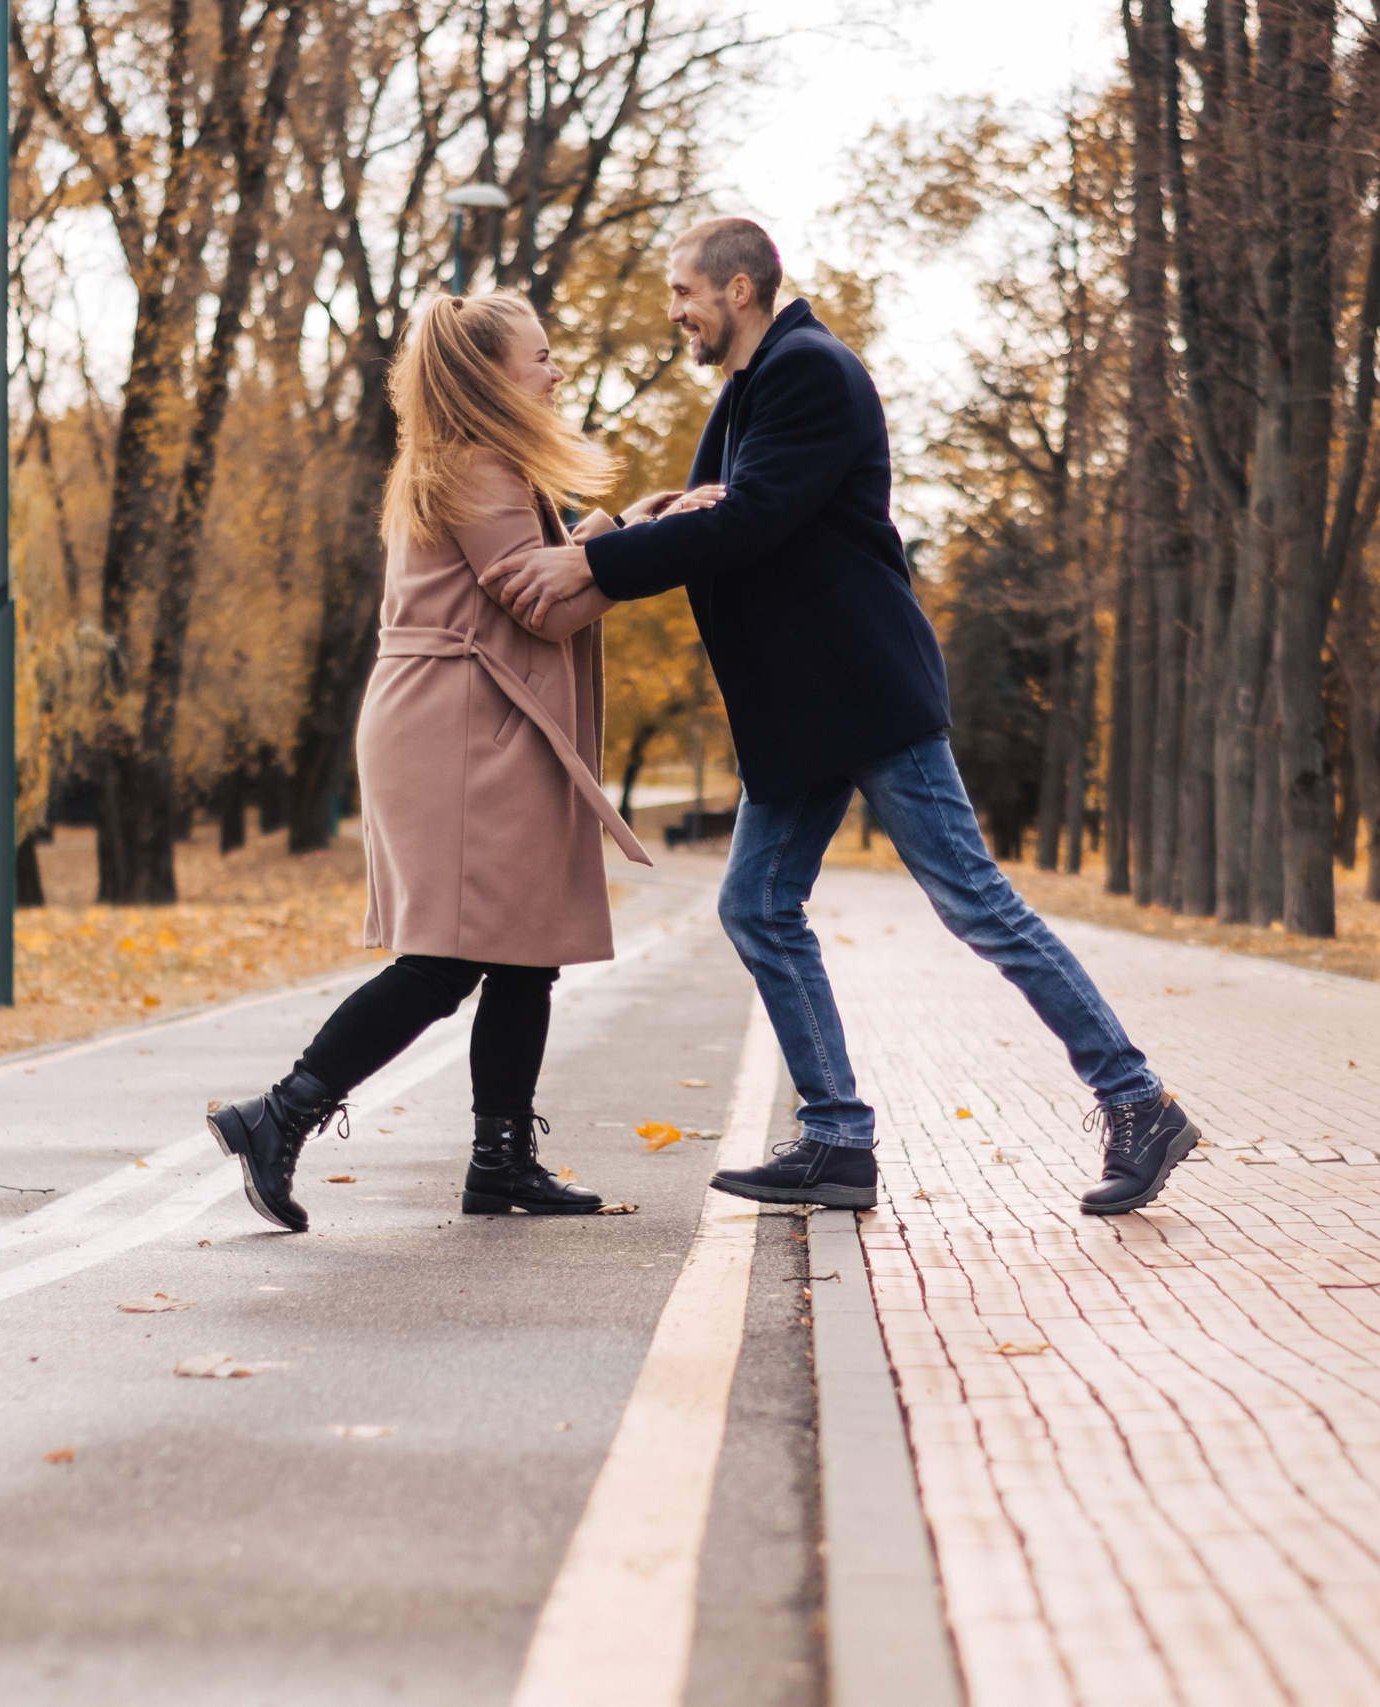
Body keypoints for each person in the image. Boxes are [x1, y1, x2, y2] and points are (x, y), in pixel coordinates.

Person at [488, 218, 1205, 1217]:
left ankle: (1135, 1100)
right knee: (755, 906)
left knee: (975, 903)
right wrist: (658, 517)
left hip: (860, 695)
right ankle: (834, 1139)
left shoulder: (809, 370)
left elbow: (750, 522)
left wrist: (592, 561)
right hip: (804, 710)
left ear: (740, 289)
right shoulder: (747, 391)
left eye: (683, 291)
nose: (673, 311)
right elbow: (721, 512)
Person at [210, 290, 705, 1232]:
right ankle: (278, 1114)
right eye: (541, 357)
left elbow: (532, 572)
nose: (556, 371)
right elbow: (546, 607)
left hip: (472, 720)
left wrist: (623, 526)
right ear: (491, 376)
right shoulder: (477, 465)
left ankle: (501, 1161)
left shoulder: (467, 462)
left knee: (524, 953)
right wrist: (651, 545)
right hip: (463, 730)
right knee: (447, 958)